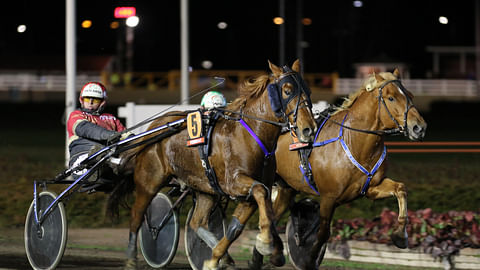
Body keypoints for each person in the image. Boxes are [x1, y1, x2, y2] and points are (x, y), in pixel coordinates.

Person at [67, 82, 129, 184]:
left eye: (95, 99)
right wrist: (108, 135)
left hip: (110, 155)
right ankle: (95, 165)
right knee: (100, 150)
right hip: (82, 156)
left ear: (102, 102)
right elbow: (84, 128)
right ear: (81, 100)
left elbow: (125, 134)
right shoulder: (76, 115)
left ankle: (106, 163)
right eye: (87, 99)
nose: (90, 102)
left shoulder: (111, 118)